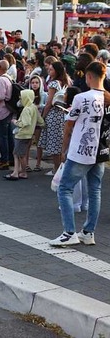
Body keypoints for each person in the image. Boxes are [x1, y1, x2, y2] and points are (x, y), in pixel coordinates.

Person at [49, 61, 110, 246]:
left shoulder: (81, 98)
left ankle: (69, 232)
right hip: (101, 150)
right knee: (95, 191)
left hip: (81, 150)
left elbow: (69, 126)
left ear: (88, 76)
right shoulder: (108, 98)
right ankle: (88, 231)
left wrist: (64, 150)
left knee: (65, 188)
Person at [37, 61, 71, 176]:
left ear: (56, 71)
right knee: (60, 143)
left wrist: (43, 117)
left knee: (53, 145)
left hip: (53, 115)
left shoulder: (53, 84)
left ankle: (57, 169)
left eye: (51, 69)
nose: (49, 71)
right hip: (63, 114)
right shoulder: (67, 82)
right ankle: (60, 168)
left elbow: (49, 103)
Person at [5, 90, 44, 180]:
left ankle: (22, 172)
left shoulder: (26, 109)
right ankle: (17, 171)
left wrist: (16, 122)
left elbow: (25, 123)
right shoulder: (33, 107)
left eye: (21, 98)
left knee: (20, 154)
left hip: (22, 134)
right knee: (18, 153)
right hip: (29, 135)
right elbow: (40, 121)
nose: (20, 99)